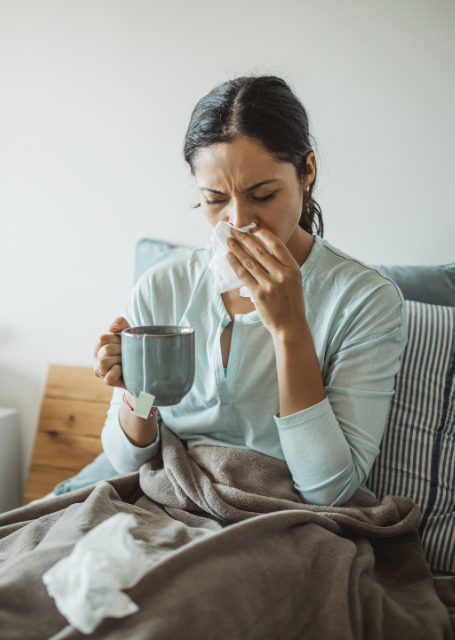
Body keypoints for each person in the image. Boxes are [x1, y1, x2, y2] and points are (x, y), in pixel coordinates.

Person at [93, 76, 407, 506]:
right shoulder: (163, 288)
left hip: (284, 517)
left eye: (263, 194)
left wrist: (290, 328)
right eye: (215, 198)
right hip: (170, 502)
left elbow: (329, 489)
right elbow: (127, 461)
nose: (238, 220)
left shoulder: (364, 300)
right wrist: (138, 389)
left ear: (307, 172)